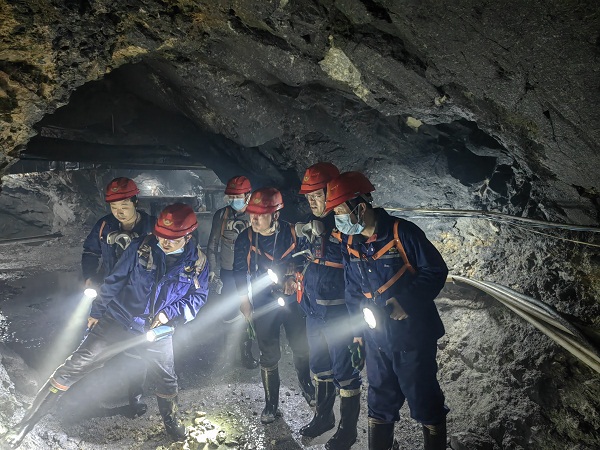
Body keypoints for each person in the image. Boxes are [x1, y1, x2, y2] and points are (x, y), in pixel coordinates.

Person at [6, 203, 209, 448]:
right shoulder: (141, 248)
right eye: (161, 236)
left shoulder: (197, 263)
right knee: (72, 367)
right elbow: (114, 281)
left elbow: (198, 297)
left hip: (156, 331)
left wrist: (170, 313)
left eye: (172, 239)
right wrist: (97, 311)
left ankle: (172, 422)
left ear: (188, 236)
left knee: (167, 379)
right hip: (119, 319)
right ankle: (23, 426)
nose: (164, 242)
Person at [324, 172, 449, 450]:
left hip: (412, 336)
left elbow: (435, 270)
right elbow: (353, 290)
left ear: (360, 207)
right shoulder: (350, 243)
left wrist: (406, 302)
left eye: (340, 211)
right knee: (379, 400)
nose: (338, 219)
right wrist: (357, 333)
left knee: (423, 398)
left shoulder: (402, 233)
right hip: (375, 337)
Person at [232, 187, 315, 424]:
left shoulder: (294, 233)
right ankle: (271, 403)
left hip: (293, 300)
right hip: (263, 300)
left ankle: (306, 384)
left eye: (260, 215)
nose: (254, 219)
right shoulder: (246, 239)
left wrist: (295, 278)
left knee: (301, 345)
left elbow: (309, 261)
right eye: (251, 214)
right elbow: (239, 272)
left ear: (275, 215)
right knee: (268, 353)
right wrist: (244, 301)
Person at [294, 163, 362, 450]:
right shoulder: (311, 223)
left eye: (317, 195)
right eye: (308, 196)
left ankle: (348, 431)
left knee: (345, 372)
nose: (312, 201)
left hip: (338, 313)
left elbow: (358, 270)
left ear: (332, 192)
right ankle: (324, 417)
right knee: (320, 366)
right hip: (313, 310)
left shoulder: (346, 224)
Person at [81, 176, 155, 417]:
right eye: (114, 207)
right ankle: (91, 396)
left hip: (138, 298)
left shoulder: (152, 227)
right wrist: (90, 276)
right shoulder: (104, 226)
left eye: (124, 206)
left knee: (136, 348)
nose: (119, 212)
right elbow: (90, 251)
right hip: (108, 293)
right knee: (96, 344)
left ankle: (135, 397)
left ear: (136, 201)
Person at [206, 175, 257, 369]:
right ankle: (227, 354)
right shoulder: (222, 216)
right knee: (228, 313)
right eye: (231, 196)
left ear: (248, 196)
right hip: (228, 272)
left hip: (250, 272)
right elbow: (213, 244)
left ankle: (246, 352)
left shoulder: (256, 215)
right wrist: (213, 270)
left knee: (248, 312)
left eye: (238, 196)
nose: (234, 200)